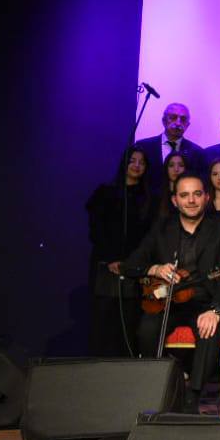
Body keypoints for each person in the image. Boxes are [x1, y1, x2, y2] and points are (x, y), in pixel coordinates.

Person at [120, 171, 220, 412]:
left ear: (206, 197)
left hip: (207, 302)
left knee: (208, 330)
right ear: (175, 200)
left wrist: (215, 310)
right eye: (184, 195)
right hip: (169, 303)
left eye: (197, 194)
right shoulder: (161, 230)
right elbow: (129, 265)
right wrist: (155, 268)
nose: (191, 200)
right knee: (146, 329)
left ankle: (192, 397)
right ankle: (162, 389)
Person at [85, 147, 152, 358]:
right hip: (106, 264)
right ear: (124, 163)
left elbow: (147, 236)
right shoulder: (105, 192)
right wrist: (111, 258)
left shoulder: (147, 199)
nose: (136, 165)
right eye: (132, 161)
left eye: (141, 162)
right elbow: (96, 229)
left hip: (133, 267)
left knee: (130, 318)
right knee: (103, 317)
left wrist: (130, 262)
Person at [133, 101, 203, 188]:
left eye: (183, 119)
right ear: (164, 121)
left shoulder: (197, 153)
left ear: (187, 125)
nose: (178, 123)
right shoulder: (144, 146)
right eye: (173, 117)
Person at [156, 151, 190, 218]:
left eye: (181, 165)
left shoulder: (191, 195)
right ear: (166, 168)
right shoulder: (156, 195)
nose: (176, 169)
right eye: (171, 165)